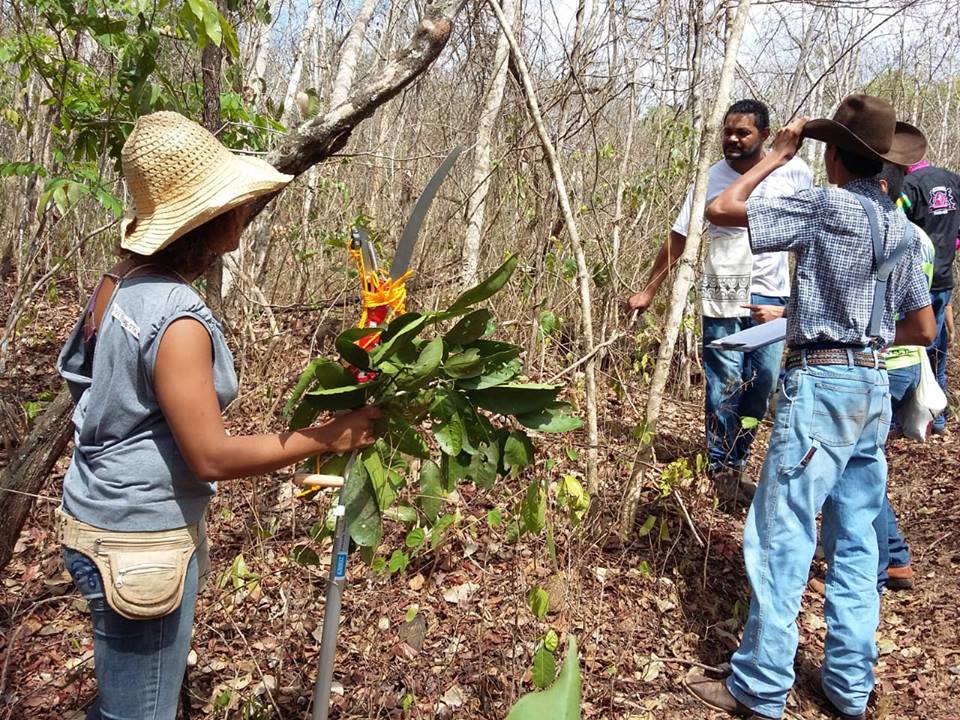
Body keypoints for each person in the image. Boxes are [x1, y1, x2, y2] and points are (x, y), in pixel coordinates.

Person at [56, 111, 381, 720]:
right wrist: (326, 436)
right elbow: (210, 454)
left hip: (97, 519)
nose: (241, 217)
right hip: (140, 543)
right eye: (233, 206)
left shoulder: (119, 281)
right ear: (211, 221)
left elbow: (85, 385)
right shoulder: (177, 318)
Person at [684, 95, 935, 720]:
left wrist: (777, 154)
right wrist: (859, 334)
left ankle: (761, 686)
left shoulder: (826, 205)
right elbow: (924, 329)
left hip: (820, 388)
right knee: (856, 543)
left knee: (783, 535)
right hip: (873, 389)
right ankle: (849, 686)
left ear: (833, 158)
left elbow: (721, 209)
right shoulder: (903, 230)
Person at [627, 99, 813, 500]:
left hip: (773, 296)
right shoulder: (709, 178)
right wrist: (649, 289)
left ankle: (739, 456)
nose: (731, 139)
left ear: (765, 135)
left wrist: (801, 300)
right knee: (724, 382)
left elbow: (807, 241)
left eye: (742, 132)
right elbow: (679, 236)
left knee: (762, 383)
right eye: (727, 131)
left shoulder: (795, 173)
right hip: (722, 293)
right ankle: (721, 467)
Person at [900, 157, 960, 432]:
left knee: (912, 350)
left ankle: (911, 418)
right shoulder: (953, 181)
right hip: (944, 278)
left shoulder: (909, 186)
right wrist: (949, 247)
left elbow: (896, 229)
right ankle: (937, 418)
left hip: (917, 282)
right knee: (936, 350)